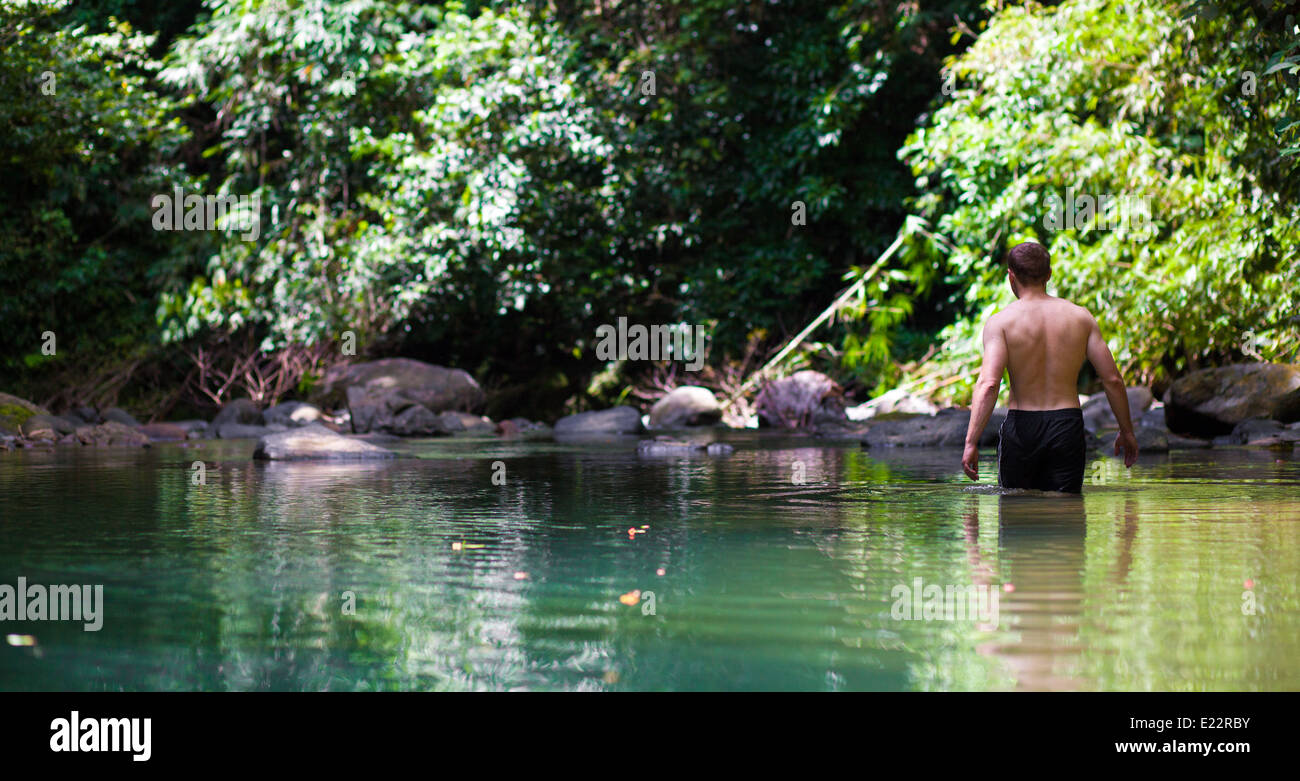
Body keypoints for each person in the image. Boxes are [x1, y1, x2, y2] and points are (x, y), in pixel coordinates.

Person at [962, 242, 1139, 492]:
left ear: (1011, 276)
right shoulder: (1080, 318)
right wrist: (1127, 431)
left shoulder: (1000, 323)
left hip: (1021, 428)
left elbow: (989, 384)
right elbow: (1112, 380)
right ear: (1049, 274)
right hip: (1066, 424)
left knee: (1016, 513)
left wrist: (971, 441)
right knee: (1066, 513)